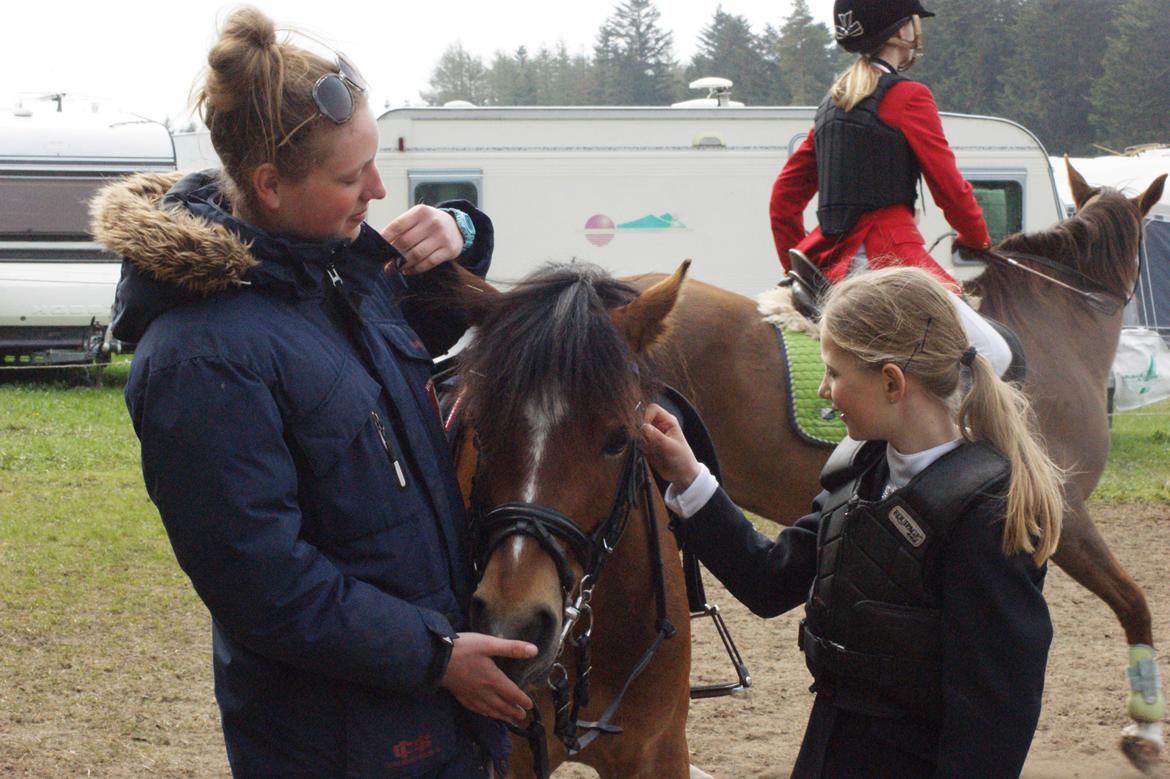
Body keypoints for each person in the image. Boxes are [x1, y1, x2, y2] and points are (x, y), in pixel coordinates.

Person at [90, 8, 535, 777]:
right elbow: (265, 584)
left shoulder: (336, 276)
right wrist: (436, 657)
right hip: (336, 741)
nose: (377, 187)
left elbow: (422, 332)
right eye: (349, 176)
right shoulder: (200, 356)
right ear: (268, 185)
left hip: (428, 722)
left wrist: (462, 228)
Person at [641, 267, 1065, 778]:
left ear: (891, 382)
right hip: (829, 750)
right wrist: (688, 475)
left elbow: (995, 715)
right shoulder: (860, 471)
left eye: (835, 373)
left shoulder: (986, 509)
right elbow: (770, 580)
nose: (824, 390)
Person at [770, 0, 1012, 376]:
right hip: (887, 258)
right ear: (901, 32)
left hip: (827, 265)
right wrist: (977, 238)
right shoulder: (908, 96)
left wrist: (800, 268)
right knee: (994, 354)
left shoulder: (831, 106)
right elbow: (949, 188)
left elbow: (783, 201)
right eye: (914, 22)